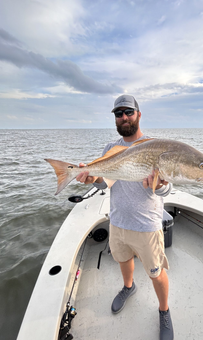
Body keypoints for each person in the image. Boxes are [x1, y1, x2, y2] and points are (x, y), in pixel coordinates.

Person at [76, 94, 174, 340]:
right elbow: (104, 183)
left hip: (147, 224)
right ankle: (129, 287)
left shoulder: (155, 146)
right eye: (118, 114)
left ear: (139, 114)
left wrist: (158, 184)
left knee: (156, 272)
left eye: (128, 112)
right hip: (118, 221)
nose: (124, 117)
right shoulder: (111, 149)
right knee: (122, 259)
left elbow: (166, 189)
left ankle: (164, 310)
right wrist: (92, 177)